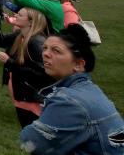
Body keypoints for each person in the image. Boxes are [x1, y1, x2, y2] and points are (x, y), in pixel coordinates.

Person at [20, 24, 124, 154]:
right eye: (45, 48)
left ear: (78, 64)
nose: (45, 53)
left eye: (56, 50)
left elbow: (31, 143)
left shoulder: (68, 101)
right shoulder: (90, 90)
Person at [0, 3, 51, 127]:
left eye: (20, 15)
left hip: (32, 96)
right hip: (22, 94)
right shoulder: (20, 36)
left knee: (33, 131)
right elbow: (0, 40)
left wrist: (10, 62)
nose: (16, 16)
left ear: (31, 22)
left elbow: (44, 72)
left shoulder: (37, 42)